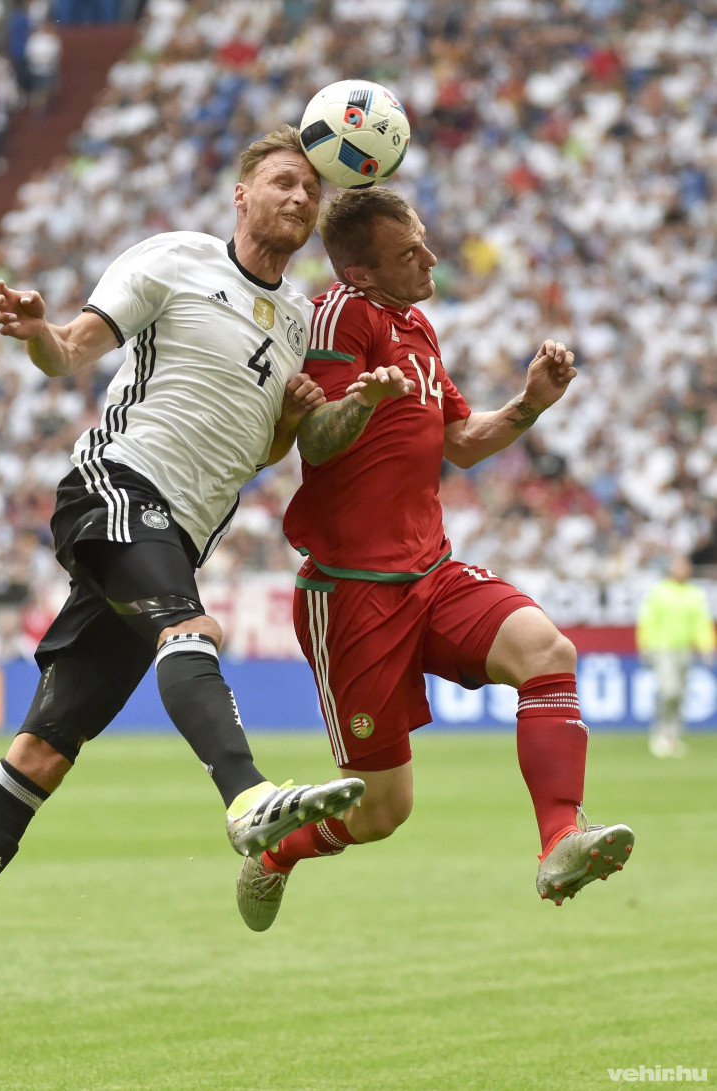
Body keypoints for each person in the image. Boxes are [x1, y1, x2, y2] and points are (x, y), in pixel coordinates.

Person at [0, 127, 411, 1051]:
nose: (298, 198)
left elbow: (263, 448)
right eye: (282, 181)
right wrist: (39, 332)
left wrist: (308, 417)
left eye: (309, 191)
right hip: (116, 487)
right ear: (241, 195)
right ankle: (246, 798)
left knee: (44, 751)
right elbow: (72, 349)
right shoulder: (175, 259)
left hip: (173, 534)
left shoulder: (297, 324)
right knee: (191, 628)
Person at [235, 186, 635, 932]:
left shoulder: (416, 325)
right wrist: (362, 401)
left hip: (431, 571)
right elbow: (313, 439)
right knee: (383, 810)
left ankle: (560, 840)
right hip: (351, 594)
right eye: (410, 251)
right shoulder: (339, 316)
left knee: (548, 651)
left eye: (423, 239)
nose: (431, 257)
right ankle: (278, 852)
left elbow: (462, 442)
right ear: (360, 271)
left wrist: (529, 404)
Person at [636, 553, 716, 758]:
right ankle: (660, 732)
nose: (683, 570)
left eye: (685, 566)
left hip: (685, 650)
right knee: (669, 690)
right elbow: (648, 619)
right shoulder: (660, 592)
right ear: (671, 569)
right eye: (679, 566)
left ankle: (672, 735)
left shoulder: (694, 593)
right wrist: (644, 645)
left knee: (680, 693)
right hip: (662, 649)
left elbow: (701, 622)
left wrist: (707, 646)